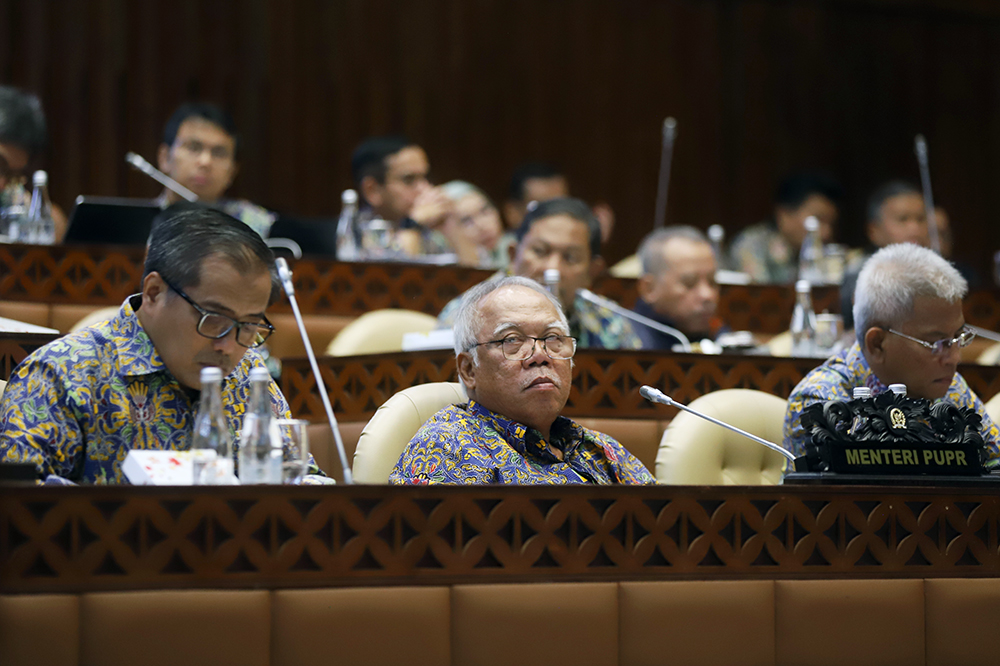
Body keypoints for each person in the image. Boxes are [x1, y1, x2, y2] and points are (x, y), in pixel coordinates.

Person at [0, 207, 331, 485]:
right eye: (214, 319)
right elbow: (21, 505)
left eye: (248, 326)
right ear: (154, 292)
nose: (229, 346)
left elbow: (298, 480)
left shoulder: (248, 374)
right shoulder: (63, 374)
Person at [391, 276, 655, 484]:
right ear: (469, 369)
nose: (539, 355)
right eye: (512, 340)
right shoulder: (449, 447)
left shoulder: (601, 449)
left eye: (553, 338)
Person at [783, 243, 1000, 460]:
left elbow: (995, 461)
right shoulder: (821, 402)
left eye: (957, 338)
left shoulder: (950, 388)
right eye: (935, 344)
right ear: (877, 344)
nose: (954, 358)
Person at [438, 197, 643, 350]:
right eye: (540, 251)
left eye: (570, 258)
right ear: (513, 254)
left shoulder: (611, 324)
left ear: (592, 271)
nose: (552, 269)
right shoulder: (467, 315)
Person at [350, 136, 477, 264]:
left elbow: (477, 277)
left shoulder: (431, 230)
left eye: (425, 177)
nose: (425, 188)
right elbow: (396, 276)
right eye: (409, 179)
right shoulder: (354, 236)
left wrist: (452, 225)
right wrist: (412, 224)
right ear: (372, 190)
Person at [157, 102, 276, 238]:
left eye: (219, 153)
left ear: (233, 171)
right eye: (194, 148)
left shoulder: (255, 225)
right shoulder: (135, 221)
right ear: (165, 157)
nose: (205, 162)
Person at [840, 181, 932, 329]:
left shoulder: (935, 270)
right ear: (874, 230)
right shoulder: (860, 273)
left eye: (920, 219)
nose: (915, 229)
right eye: (903, 219)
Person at [729, 172, 843, 283]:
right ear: (784, 215)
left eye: (831, 223)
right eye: (818, 219)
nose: (827, 232)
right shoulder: (751, 245)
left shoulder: (823, 252)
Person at [633, 227, 724, 350]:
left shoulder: (720, 335)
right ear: (649, 288)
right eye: (689, 283)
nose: (707, 295)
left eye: (712, 282)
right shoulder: (626, 344)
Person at [0, 85, 69, 239]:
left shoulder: (11, 207)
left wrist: (36, 217)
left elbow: (55, 224)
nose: (2, 184)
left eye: (13, 175)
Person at [441, 180, 512, 269]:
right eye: (466, 221)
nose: (482, 225)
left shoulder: (520, 249)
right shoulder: (446, 268)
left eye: (485, 211)